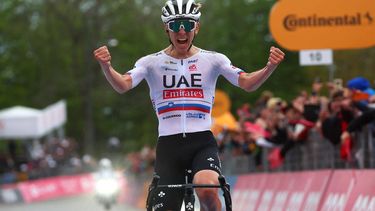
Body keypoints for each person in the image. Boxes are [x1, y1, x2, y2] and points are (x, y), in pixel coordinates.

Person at [93, 0, 285, 210]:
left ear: (197, 27)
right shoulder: (150, 62)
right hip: (168, 147)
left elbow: (247, 83)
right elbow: (122, 85)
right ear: (167, 28)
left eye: (187, 24)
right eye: (175, 25)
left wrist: (269, 67)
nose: (182, 31)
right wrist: (106, 66)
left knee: (207, 190)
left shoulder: (213, 60)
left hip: (201, 143)